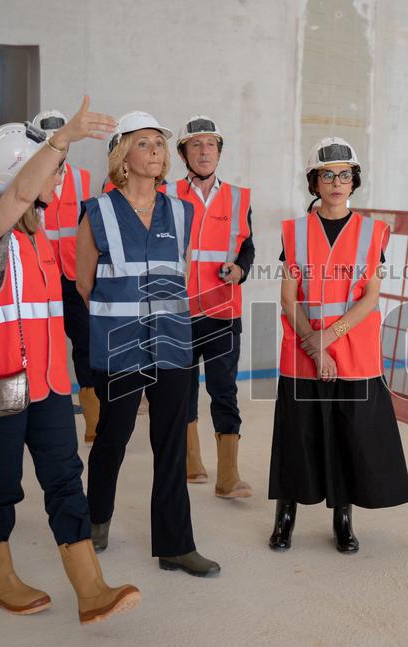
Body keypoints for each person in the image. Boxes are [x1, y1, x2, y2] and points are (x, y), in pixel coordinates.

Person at [0, 99, 140, 624]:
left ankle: (90, 588)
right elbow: (16, 193)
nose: (60, 181)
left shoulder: (37, 239)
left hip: (47, 384)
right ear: (23, 170)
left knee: (64, 477)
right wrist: (62, 139)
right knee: (0, 485)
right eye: (53, 172)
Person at [76, 111, 220, 577]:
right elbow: (83, 284)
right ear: (122, 155)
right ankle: (97, 518)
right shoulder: (96, 211)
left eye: (160, 144)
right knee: (112, 438)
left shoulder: (182, 211)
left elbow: (179, 272)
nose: (157, 151)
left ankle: (175, 545)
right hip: (120, 346)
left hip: (174, 343)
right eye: (145, 143)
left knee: (171, 443)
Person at [268, 137, 408, 554]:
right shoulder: (294, 232)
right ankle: (286, 516)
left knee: (350, 435)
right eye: (327, 175)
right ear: (314, 181)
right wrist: (315, 347)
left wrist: (328, 338)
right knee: (299, 435)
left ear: (354, 181)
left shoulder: (374, 232)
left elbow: (370, 297)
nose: (336, 182)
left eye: (344, 175)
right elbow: (287, 296)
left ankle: (343, 518)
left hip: (354, 353)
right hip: (302, 351)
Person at [166, 116, 255, 498]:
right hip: (179, 311)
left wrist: (242, 268)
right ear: (184, 153)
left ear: (219, 151)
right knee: (183, 391)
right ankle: (191, 462)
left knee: (224, 390)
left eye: (211, 145)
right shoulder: (166, 194)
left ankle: (228, 476)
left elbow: (248, 246)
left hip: (223, 309)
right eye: (196, 145)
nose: (205, 152)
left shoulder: (238, 197)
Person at [32, 109, 99, 443]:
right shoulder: (26, 178)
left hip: (74, 279)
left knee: (86, 344)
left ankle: (93, 419)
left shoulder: (84, 179)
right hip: (39, 281)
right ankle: (46, 414)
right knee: (45, 348)